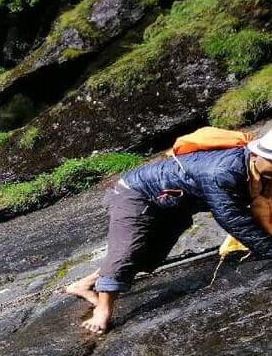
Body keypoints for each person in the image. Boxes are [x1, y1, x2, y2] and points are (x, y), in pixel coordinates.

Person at [66, 129, 272, 334]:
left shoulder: (257, 168)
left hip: (172, 202)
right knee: (126, 251)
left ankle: (84, 284)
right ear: (258, 156)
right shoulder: (222, 172)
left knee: (150, 254)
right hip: (134, 194)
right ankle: (103, 310)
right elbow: (232, 218)